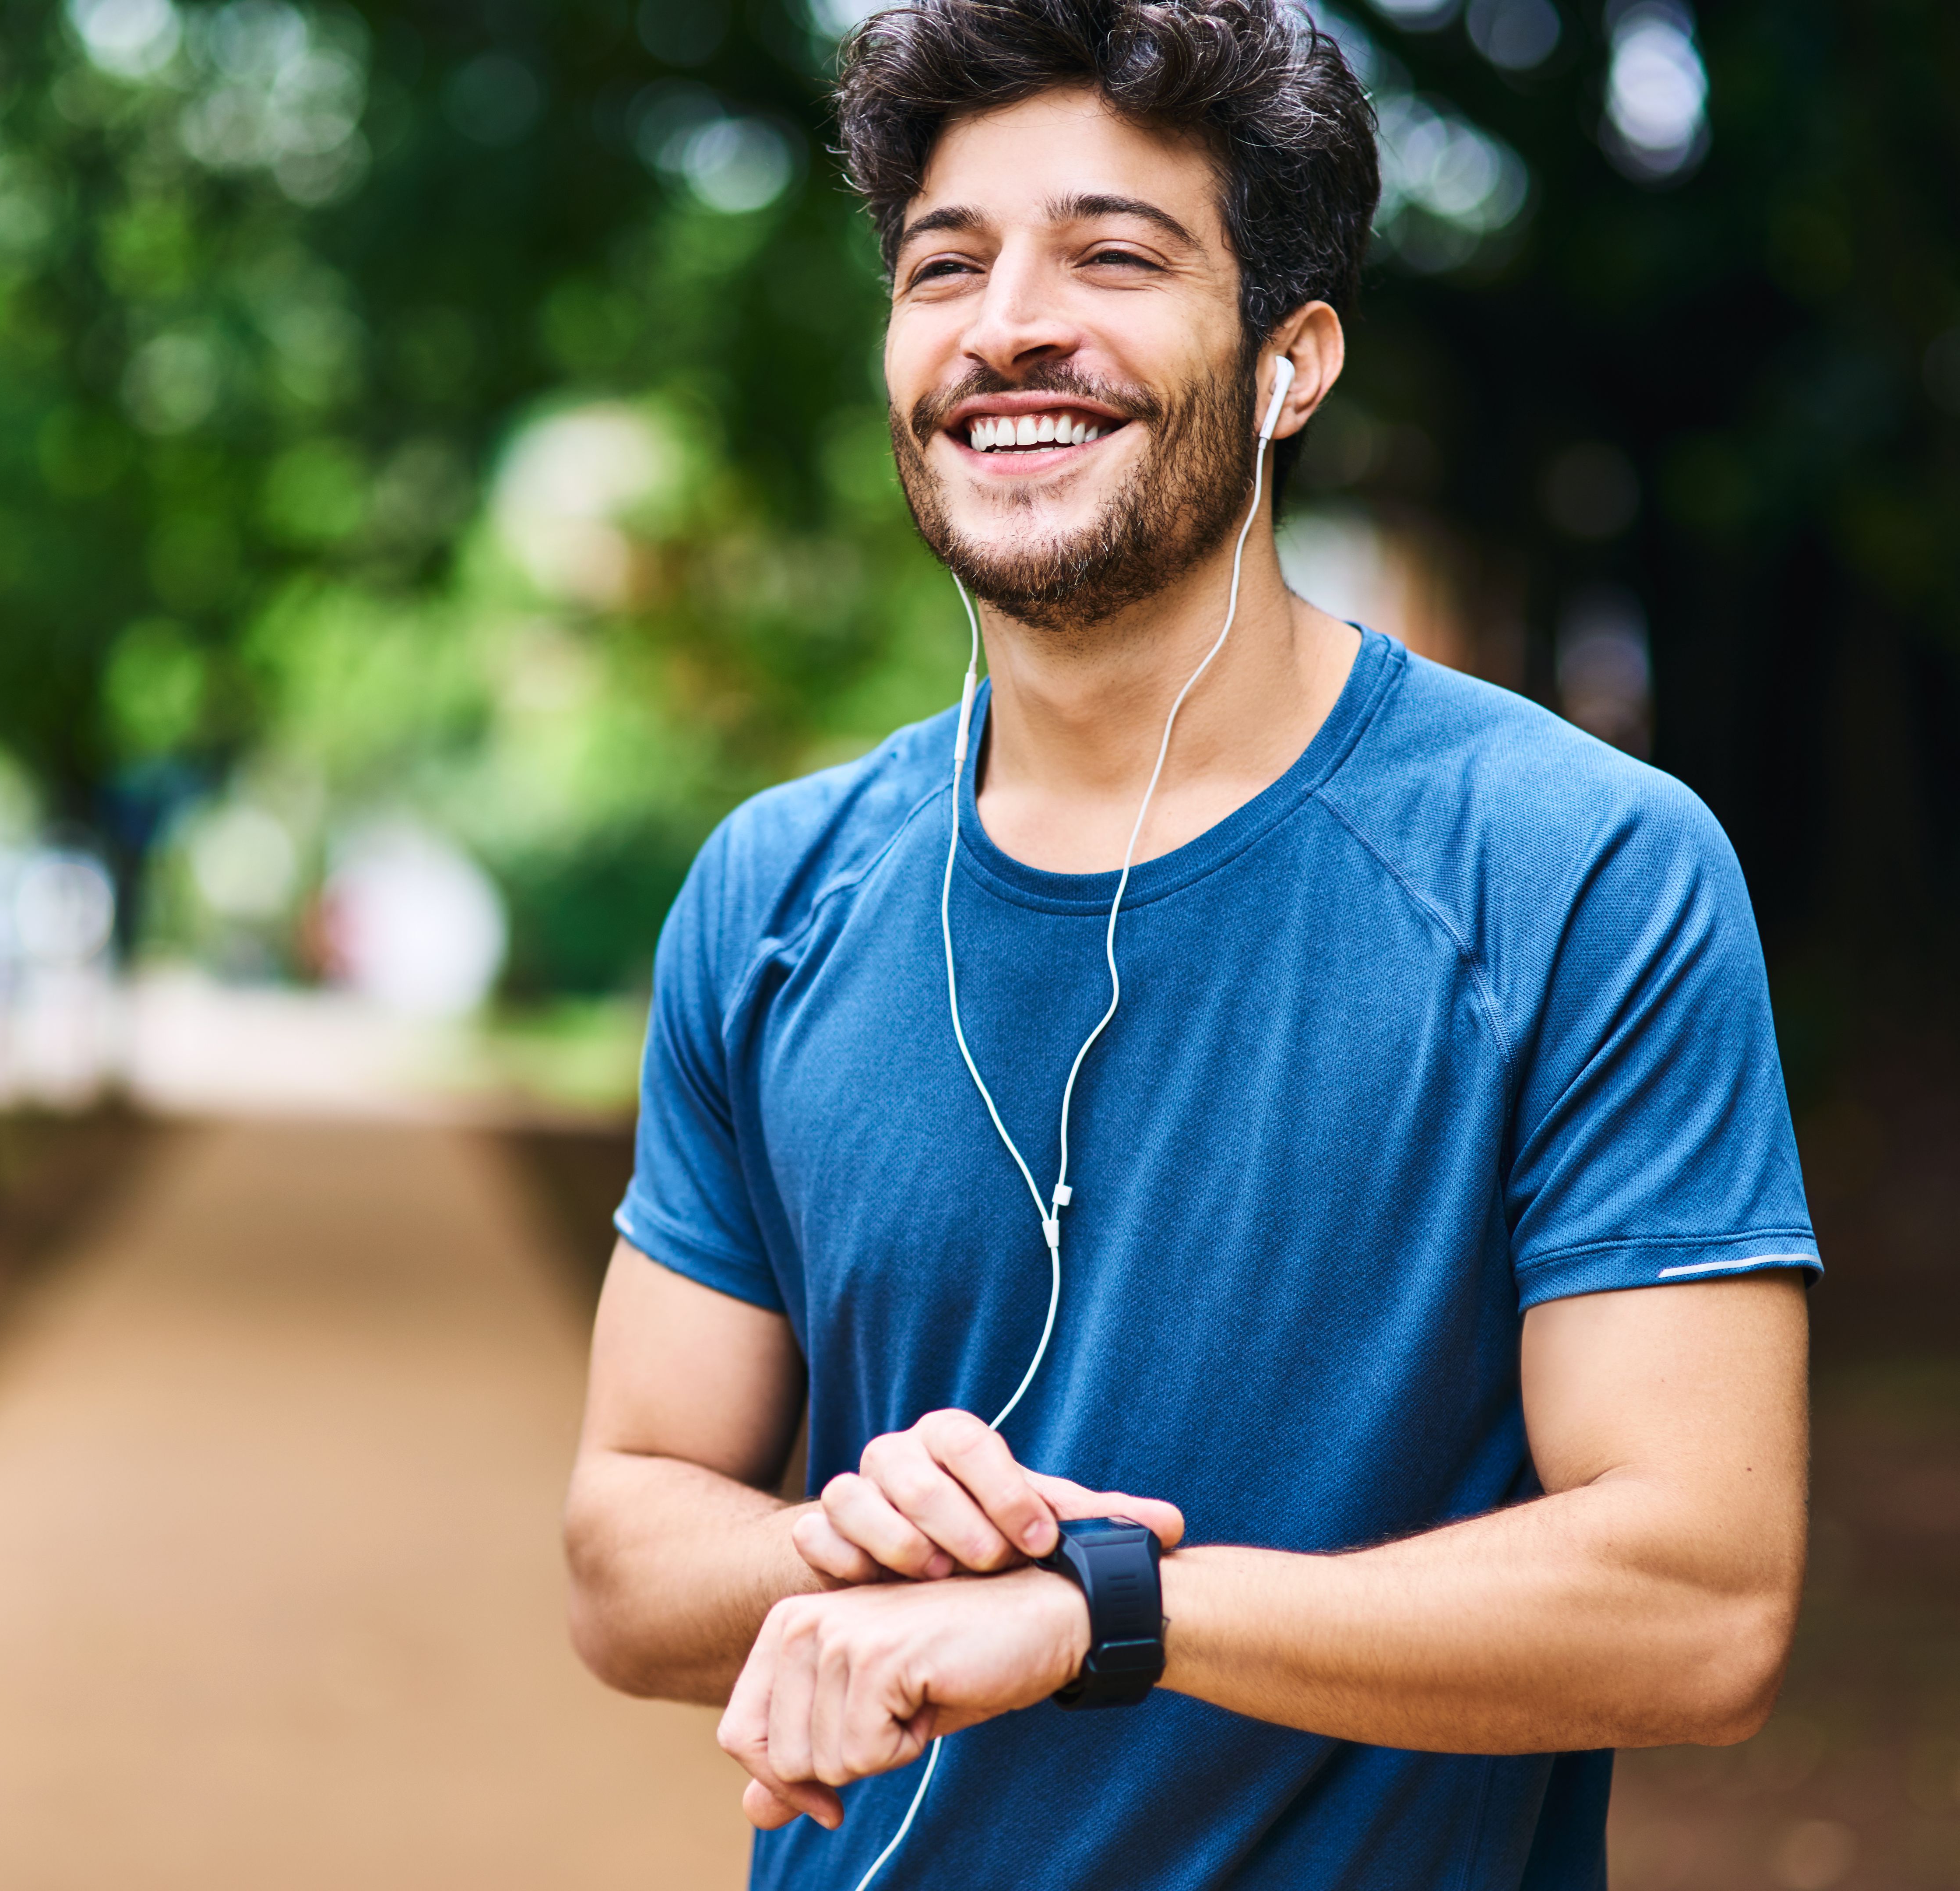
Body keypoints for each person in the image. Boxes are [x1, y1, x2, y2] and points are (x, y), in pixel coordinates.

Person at [561, 1, 1817, 1885]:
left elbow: (1697, 1603)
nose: (1005, 327)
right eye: (943, 267)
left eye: (1112, 256)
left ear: (1288, 360)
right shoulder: (772, 892)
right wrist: (862, 1548)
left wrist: (1094, 1609)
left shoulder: (1579, 870)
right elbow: (621, 1555)